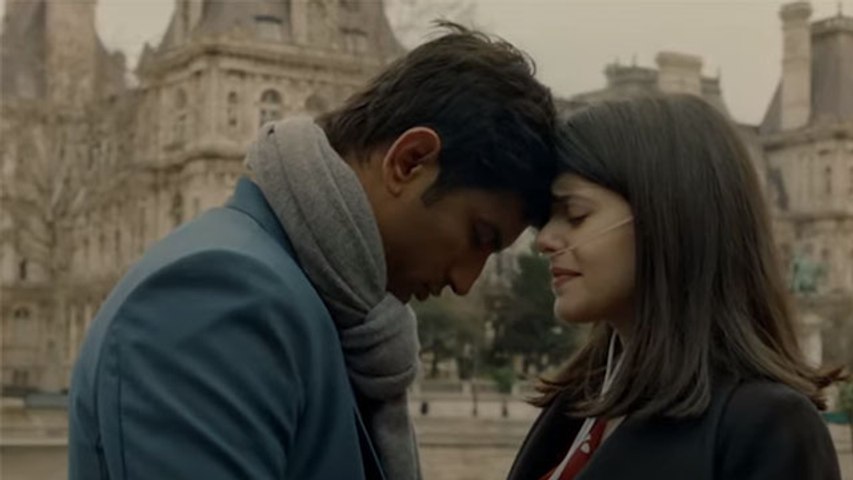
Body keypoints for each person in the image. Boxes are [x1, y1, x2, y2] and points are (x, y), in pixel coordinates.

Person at [68, 24, 558, 480]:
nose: (465, 281)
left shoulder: (315, 303)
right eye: (479, 236)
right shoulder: (217, 297)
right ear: (409, 162)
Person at [508, 94, 846, 480]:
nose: (545, 239)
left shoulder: (766, 427)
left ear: (666, 219)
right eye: (548, 218)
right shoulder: (576, 404)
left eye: (575, 214)